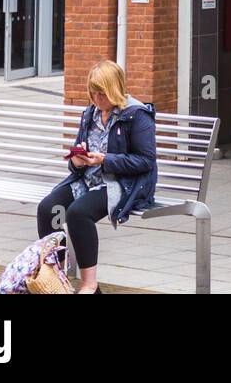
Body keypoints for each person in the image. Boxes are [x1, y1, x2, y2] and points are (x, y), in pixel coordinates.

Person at [36, 61, 158, 293]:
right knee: (48, 208)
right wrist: (76, 160)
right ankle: (57, 277)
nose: (97, 98)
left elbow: (146, 161)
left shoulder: (136, 115)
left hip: (121, 183)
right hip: (88, 179)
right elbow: (78, 154)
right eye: (93, 92)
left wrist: (106, 160)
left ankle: (89, 285)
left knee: (78, 213)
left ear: (115, 89)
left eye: (102, 92)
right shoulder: (90, 113)